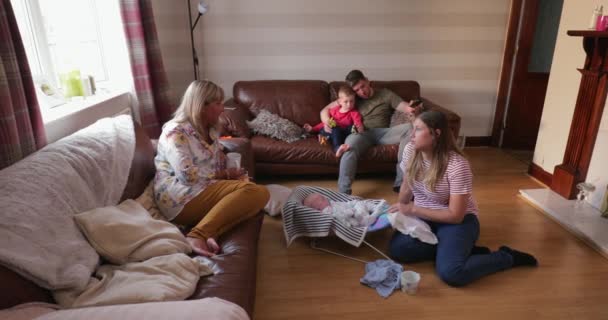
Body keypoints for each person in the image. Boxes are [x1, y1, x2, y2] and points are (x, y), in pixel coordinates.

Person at [388, 110, 537, 287]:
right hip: (425, 216)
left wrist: (412, 209)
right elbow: (407, 185)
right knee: (398, 250)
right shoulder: (410, 150)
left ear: (436, 134)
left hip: (457, 221)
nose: (412, 135)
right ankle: (460, 250)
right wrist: (402, 204)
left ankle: (506, 257)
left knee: (452, 273)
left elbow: (455, 215)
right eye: (413, 129)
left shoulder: (457, 165)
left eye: (418, 129)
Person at [154, 80, 270, 257]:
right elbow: (188, 176)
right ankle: (196, 235)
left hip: (201, 189)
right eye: (218, 103)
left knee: (255, 197)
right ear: (201, 106)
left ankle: (210, 232)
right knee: (256, 193)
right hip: (179, 196)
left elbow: (213, 158)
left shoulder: (209, 128)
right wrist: (224, 174)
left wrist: (230, 171)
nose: (223, 108)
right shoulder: (175, 132)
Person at [320, 69, 424, 195]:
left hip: (384, 132)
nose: (361, 92)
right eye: (357, 90)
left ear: (368, 81)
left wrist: (413, 108)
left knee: (409, 128)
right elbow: (324, 110)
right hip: (360, 134)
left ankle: (401, 183)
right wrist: (327, 122)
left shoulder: (385, 94)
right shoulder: (352, 98)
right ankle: (343, 193)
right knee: (348, 148)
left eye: (362, 86)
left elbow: (406, 107)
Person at [304, 86, 364, 157]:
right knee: (334, 127)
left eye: (352, 101)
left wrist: (359, 128)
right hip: (330, 131)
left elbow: (358, 123)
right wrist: (313, 129)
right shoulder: (334, 111)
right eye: (346, 102)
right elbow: (324, 123)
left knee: (351, 127)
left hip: (342, 134)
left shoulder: (354, 113)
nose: (349, 104)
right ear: (340, 102)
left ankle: (325, 139)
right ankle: (337, 148)